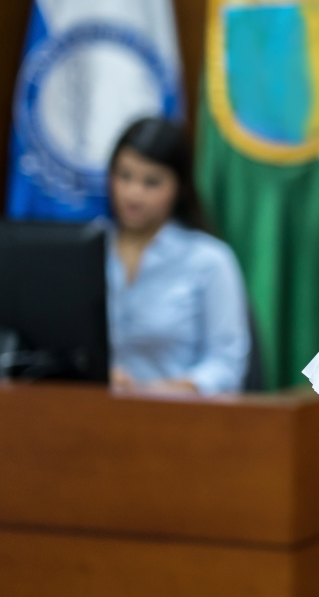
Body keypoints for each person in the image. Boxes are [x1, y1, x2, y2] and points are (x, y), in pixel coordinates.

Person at [105, 117, 252, 394]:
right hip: (95, 413)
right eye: (124, 176)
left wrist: (170, 389)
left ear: (179, 186)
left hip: (183, 418)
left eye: (151, 182)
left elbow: (227, 365)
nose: (133, 193)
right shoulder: (89, 249)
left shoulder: (210, 260)